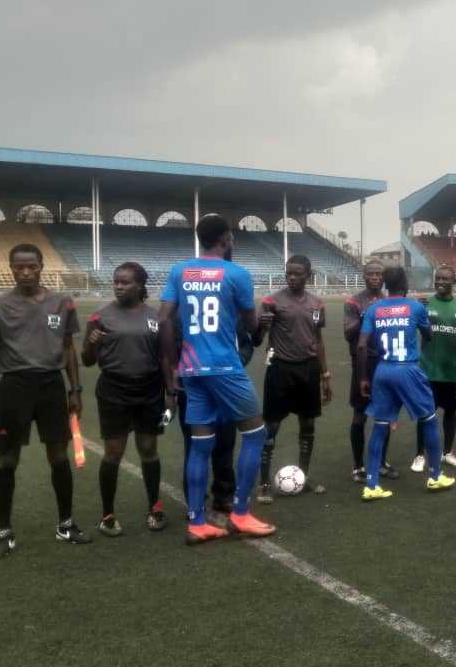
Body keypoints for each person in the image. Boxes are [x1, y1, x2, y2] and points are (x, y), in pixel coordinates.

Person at [159, 214, 275, 544]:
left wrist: (172, 368)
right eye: (232, 237)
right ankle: (240, 513)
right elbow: (252, 328)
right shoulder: (237, 273)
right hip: (225, 367)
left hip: (191, 369)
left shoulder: (179, 271)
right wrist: (259, 322)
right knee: (255, 434)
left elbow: (163, 319)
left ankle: (197, 522)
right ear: (226, 238)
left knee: (199, 445)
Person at [0, 243, 90, 558]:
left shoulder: (62, 303)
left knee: (59, 456)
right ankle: (4, 532)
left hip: (51, 386)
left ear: (42, 267)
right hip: (14, 387)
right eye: (18, 267)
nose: (25, 272)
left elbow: (68, 349)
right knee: (7, 460)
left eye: (32, 266)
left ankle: (66, 524)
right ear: (10, 268)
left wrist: (76, 390)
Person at [82, 262, 174, 536]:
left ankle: (155, 507)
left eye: (125, 282)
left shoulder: (155, 317)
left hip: (149, 390)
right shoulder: (99, 317)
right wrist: (91, 343)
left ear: (140, 286)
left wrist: (171, 393)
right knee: (113, 452)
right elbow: (87, 360)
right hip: (113, 390)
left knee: (148, 449)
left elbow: (165, 358)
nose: (119, 286)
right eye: (116, 282)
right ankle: (107, 515)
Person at [357, 267, 455, 499]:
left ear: (385, 285)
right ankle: (435, 476)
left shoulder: (373, 309)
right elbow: (428, 335)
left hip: (382, 371)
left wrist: (363, 377)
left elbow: (361, 346)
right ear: (405, 283)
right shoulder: (416, 307)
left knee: (379, 425)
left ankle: (371, 485)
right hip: (408, 369)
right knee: (430, 420)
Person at [254, 255, 333, 503]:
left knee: (307, 425)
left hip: (308, 370)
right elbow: (257, 338)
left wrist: (325, 375)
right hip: (280, 370)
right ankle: (264, 483)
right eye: (289, 273)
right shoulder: (271, 302)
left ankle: (303, 476)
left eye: (297, 273)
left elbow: (318, 340)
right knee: (272, 427)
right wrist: (260, 324)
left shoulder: (317, 304)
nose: (292, 277)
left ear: (308, 276)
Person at [176, 315, 255, 514]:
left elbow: (246, 345)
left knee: (225, 445)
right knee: (195, 446)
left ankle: (224, 495)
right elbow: (170, 350)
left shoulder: (231, 315)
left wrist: (238, 361)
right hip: (195, 390)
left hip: (227, 390)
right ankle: (196, 502)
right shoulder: (183, 314)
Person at [344, 260, 399, 482]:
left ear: (383, 277)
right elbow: (349, 333)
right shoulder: (354, 301)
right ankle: (358, 466)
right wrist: (367, 315)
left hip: (385, 363)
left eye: (378, 274)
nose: (375, 277)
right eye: (370, 274)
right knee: (359, 416)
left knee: (384, 415)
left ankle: (381, 462)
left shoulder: (389, 301)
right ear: (364, 276)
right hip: (363, 363)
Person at [413, 265, 456, 472]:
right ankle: (420, 455)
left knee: (451, 412)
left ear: (454, 282)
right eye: (438, 279)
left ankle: (447, 453)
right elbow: (415, 329)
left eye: (446, 279)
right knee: (425, 413)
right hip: (428, 370)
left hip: (452, 371)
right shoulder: (424, 305)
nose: (441, 282)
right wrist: (418, 310)